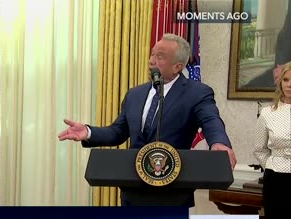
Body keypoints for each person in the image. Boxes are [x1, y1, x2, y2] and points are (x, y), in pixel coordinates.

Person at [58, 33, 237, 207]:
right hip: (133, 189)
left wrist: (219, 142)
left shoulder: (197, 93)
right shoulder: (135, 94)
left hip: (172, 192)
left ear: (178, 66)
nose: (151, 60)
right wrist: (88, 132)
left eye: (160, 57)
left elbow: (211, 120)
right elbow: (117, 132)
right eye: (152, 54)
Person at [253, 61, 291, 219]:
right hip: (276, 178)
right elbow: (259, 149)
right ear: (280, 83)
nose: (289, 85)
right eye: (286, 80)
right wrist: (273, 164)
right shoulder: (268, 113)